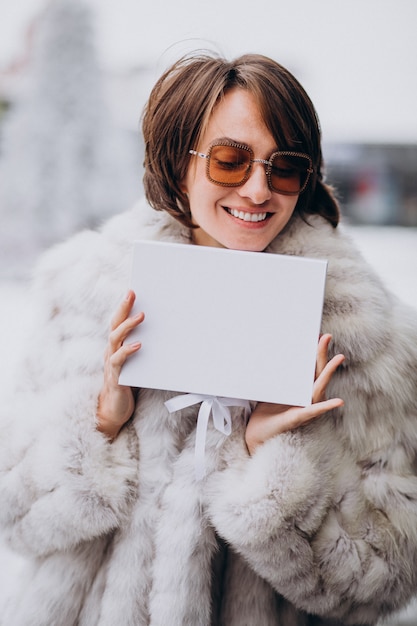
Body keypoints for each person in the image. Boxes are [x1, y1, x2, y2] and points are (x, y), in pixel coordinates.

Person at [1, 52, 417, 626]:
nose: (257, 190)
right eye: (229, 161)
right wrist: (101, 422)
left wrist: (270, 459)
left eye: (285, 167)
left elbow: (380, 583)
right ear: (178, 164)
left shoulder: (368, 337)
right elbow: (16, 518)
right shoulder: (88, 293)